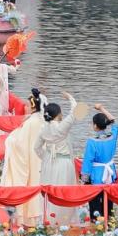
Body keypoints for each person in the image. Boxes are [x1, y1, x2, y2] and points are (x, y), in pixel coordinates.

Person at [36, 94, 88, 223]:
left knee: (50, 191)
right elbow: (75, 111)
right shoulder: (61, 127)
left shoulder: (43, 129)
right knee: (64, 191)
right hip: (64, 163)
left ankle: (49, 219)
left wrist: (46, 157)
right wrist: (70, 98)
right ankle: (64, 221)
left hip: (49, 164)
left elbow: (36, 148)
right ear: (58, 115)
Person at [0, 88, 45, 225]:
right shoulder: (44, 121)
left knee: (29, 183)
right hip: (41, 160)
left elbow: (17, 142)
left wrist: (10, 139)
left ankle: (26, 219)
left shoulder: (29, 123)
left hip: (29, 158)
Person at [81, 104, 118, 219]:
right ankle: (110, 223)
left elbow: (88, 161)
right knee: (109, 202)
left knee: (95, 204)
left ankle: (96, 224)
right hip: (110, 174)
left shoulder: (92, 142)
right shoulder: (112, 136)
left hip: (97, 175)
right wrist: (102, 108)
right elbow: (114, 123)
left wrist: (84, 179)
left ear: (95, 126)